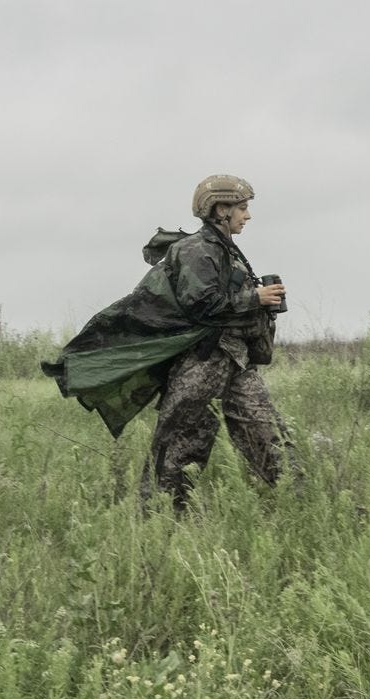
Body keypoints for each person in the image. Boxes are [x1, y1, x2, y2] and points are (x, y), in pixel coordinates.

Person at [43, 174, 291, 512]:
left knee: (268, 434)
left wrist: (259, 300)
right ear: (221, 209)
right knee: (181, 445)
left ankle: (302, 502)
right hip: (203, 364)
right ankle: (158, 521)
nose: (247, 216)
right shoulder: (196, 249)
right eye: (242, 208)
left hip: (235, 361)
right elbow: (202, 305)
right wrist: (255, 298)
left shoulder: (224, 249)